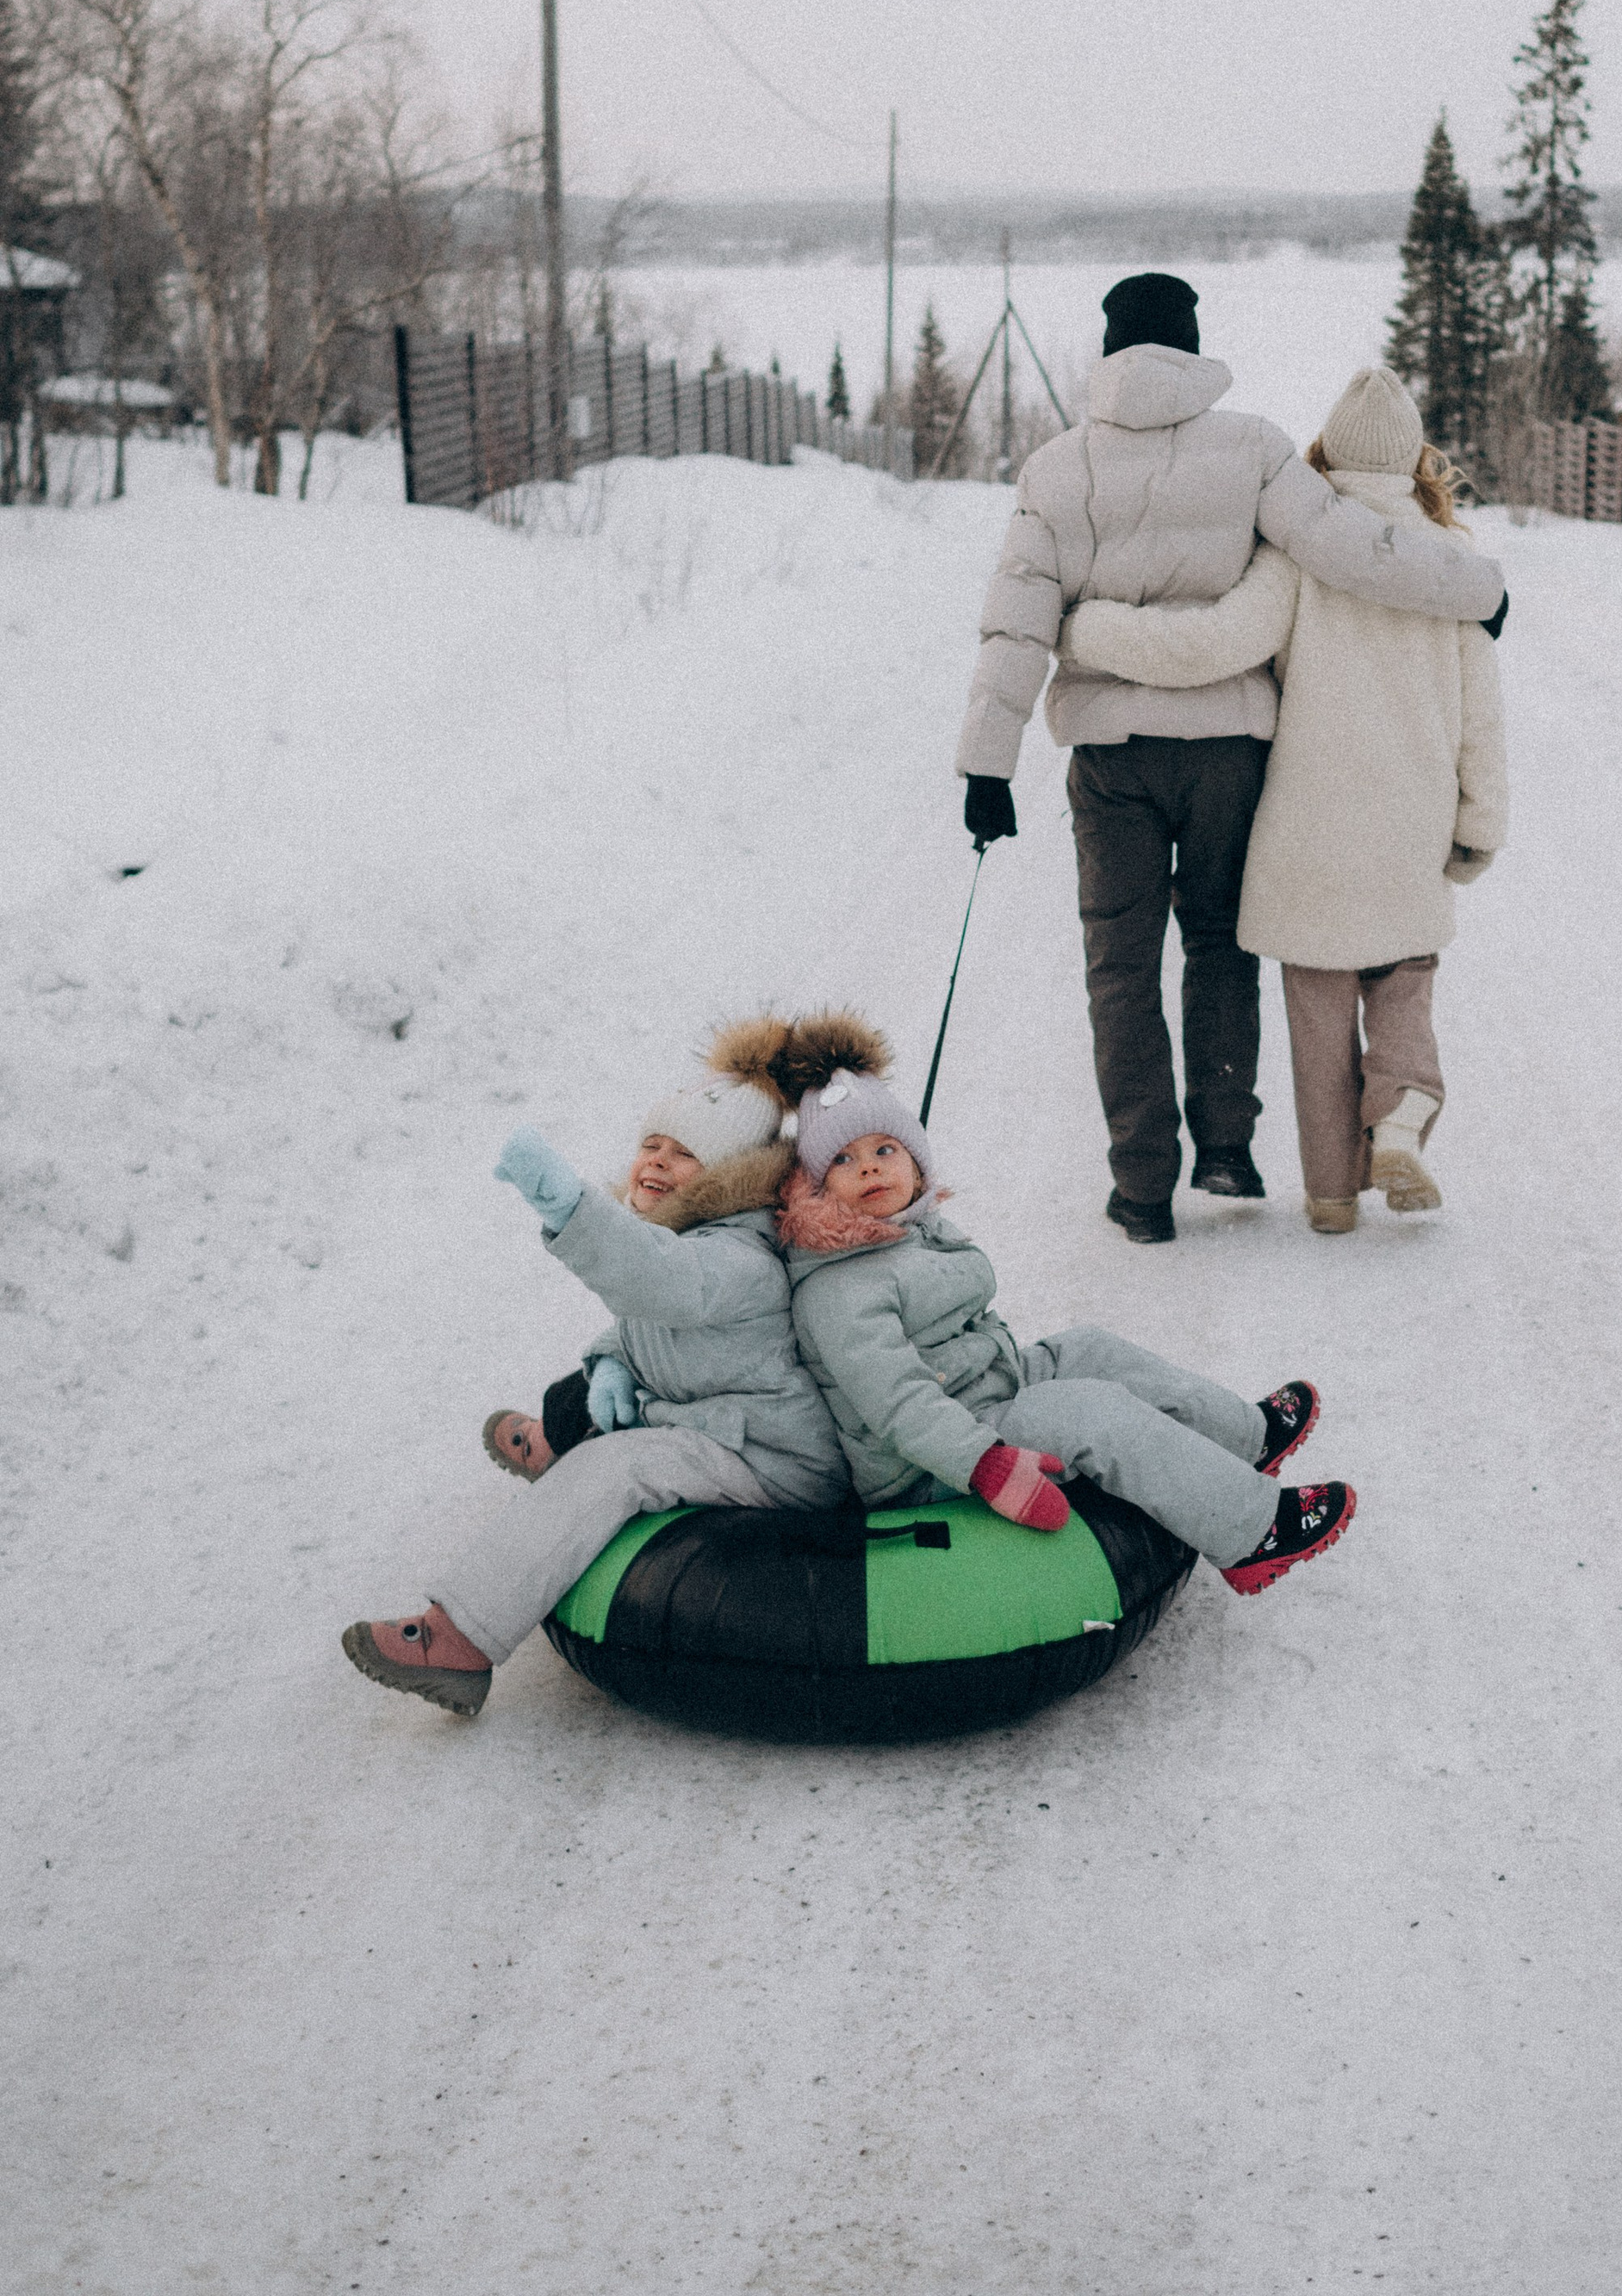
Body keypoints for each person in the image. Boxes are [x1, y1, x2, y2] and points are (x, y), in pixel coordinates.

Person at [954, 270, 1506, 1243]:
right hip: (1224, 751)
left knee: (1117, 967)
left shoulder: (1053, 469)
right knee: (1215, 945)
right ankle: (1224, 1143)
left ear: (1110, 351)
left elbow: (1013, 625)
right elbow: (1349, 546)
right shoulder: (1250, 448)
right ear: (1192, 343)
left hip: (1112, 760)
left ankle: (1140, 1186)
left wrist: (986, 767)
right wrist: (1475, 587)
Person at [340, 1018, 868, 1719]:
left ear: (731, 1176)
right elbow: (653, 1328)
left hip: (775, 1458)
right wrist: (612, 1362)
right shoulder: (685, 1237)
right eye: (651, 1145)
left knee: (615, 1468)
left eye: (684, 1154)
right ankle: (553, 1444)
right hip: (715, 1428)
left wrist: (571, 1207)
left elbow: (660, 1284)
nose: (656, 1162)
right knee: (588, 1395)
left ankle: (460, 1639)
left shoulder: (736, 1257)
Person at [780, 1046, 1351, 1595]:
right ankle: (1255, 1533)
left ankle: (1246, 1437)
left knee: (1089, 1347)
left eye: (885, 1150)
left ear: (914, 1159)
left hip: (987, 1388)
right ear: (814, 1184)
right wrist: (984, 1464)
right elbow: (899, 1404)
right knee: (1088, 1411)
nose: (869, 1169)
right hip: (932, 1464)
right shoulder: (837, 1286)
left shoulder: (910, 1231)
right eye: (843, 1159)